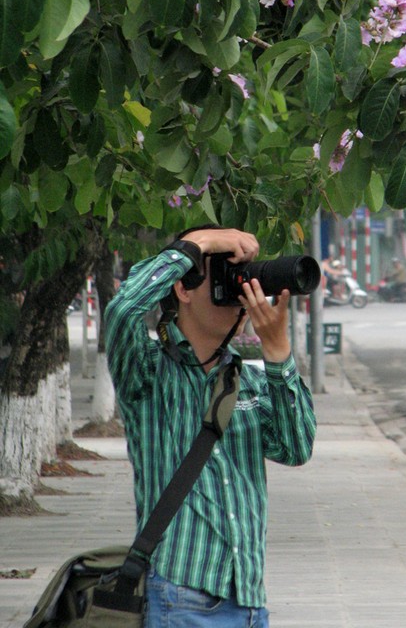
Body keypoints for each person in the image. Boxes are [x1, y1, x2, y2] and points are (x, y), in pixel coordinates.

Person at [105, 226, 317, 627]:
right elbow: (122, 309)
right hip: (180, 597)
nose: (238, 292)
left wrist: (278, 353)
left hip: (251, 603)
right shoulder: (148, 374)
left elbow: (297, 447)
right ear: (183, 288)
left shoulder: (250, 382)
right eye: (223, 275)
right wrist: (202, 243)